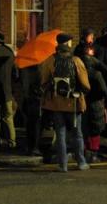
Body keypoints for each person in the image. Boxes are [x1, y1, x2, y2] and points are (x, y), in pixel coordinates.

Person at [39, 33, 91, 172]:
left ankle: (63, 164)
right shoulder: (76, 60)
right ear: (68, 44)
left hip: (56, 103)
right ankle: (81, 162)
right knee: (77, 134)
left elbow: (43, 82)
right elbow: (86, 84)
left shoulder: (50, 60)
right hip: (73, 104)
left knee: (60, 134)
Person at [79, 41, 107, 164]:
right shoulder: (97, 74)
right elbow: (104, 90)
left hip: (82, 100)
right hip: (96, 101)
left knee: (84, 126)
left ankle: (84, 151)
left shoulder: (79, 70)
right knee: (96, 127)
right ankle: (93, 152)